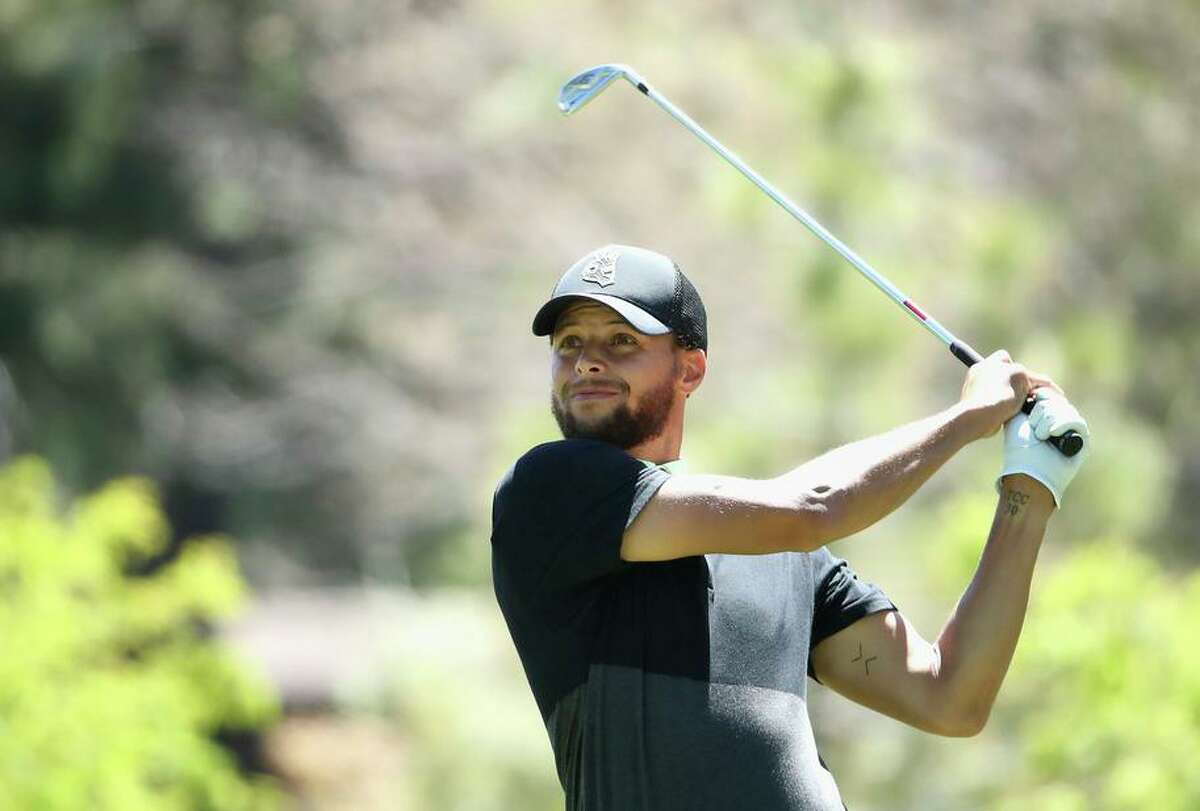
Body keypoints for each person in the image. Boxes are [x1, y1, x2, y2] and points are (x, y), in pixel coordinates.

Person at [490, 244, 1090, 810]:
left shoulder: (782, 553)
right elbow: (813, 507)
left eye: (622, 340)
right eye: (569, 343)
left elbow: (950, 698)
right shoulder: (547, 490)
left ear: (690, 369)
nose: (587, 360)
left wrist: (1030, 489)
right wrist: (968, 417)